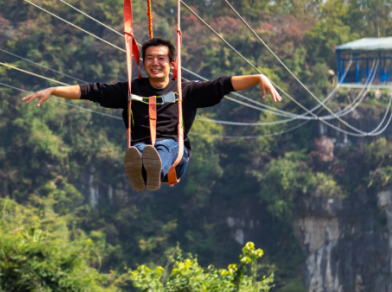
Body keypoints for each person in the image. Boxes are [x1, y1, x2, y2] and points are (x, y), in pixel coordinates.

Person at [22, 37, 282, 191]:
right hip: (141, 148)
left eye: (160, 58)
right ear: (143, 62)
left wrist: (258, 77)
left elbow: (223, 84)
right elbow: (93, 91)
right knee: (143, 148)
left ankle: (154, 167)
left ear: (172, 64)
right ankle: (146, 167)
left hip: (175, 156)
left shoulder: (187, 90)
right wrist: (55, 90)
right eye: (149, 58)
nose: (154, 63)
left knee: (163, 145)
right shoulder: (131, 90)